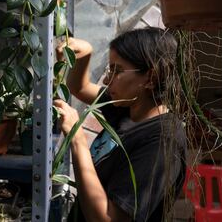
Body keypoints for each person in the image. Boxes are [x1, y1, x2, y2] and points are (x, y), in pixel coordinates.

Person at [54, 27, 187, 222]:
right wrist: (85, 54)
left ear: (151, 78)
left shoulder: (162, 142)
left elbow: (108, 219)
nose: (107, 80)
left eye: (117, 71)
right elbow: (79, 87)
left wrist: (77, 139)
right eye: (110, 69)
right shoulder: (130, 107)